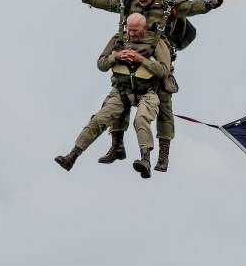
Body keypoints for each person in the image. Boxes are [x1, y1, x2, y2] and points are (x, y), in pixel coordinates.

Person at [73, 0, 223, 172]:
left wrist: (212, 3)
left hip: (157, 58)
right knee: (119, 95)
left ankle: (163, 156)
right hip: (132, 55)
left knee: (164, 108)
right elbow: (109, 3)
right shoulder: (130, 1)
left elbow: (191, 7)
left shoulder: (167, 4)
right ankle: (117, 147)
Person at [54, 13, 171, 178]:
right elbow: (101, 64)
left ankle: (146, 159)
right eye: (129, 30)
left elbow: (164, 71)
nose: (131, 34)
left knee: (141, 119)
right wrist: (115, 56)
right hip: (121, 90)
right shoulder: (119, 39)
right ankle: (72, 156)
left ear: (144, 28)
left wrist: (141, 59)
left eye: (136, 31)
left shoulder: (156, 42)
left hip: (147, 91)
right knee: (99, 119)